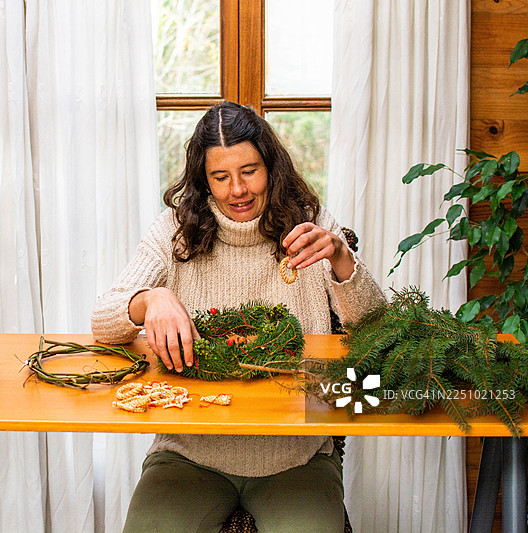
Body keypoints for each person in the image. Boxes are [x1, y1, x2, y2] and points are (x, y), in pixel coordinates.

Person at [90, 102, 386, 533]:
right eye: (220, 177)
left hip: (297, 455)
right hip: (189, 454)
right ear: (202, 180)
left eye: (249, 171)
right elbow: (102, 319)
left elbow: (378, 329)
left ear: (271, 166)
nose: (237, 191)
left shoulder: (311, 224)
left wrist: (342, 258)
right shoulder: (175, 231)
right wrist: (148, 299)